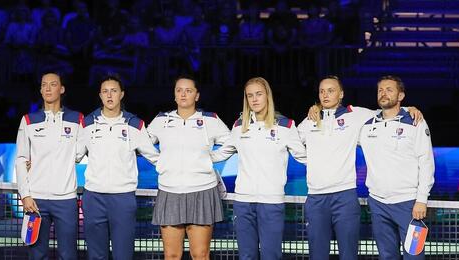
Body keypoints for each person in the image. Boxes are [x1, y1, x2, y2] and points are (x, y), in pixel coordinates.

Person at [297, 76, 423, 260]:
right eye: (322, 91)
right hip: (316, 197)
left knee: (349, 255)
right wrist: (313, 161)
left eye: (331, 90)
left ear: (341, 94)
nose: (325, 95)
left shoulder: (356, 115)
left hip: (346, 196)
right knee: (317, 255)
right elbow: (291, 142)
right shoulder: (310, 120)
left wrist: (408, 109)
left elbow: (386, 111)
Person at [211, 77, 307, 259]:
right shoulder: (240, 126)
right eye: (249, 96)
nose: (254, 99)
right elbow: (221, 154)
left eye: (258, 94)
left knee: (271, 255)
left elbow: (304, 157)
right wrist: (194, 158)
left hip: (271, 202)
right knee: (247, 256)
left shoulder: (286, 126)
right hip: (243, 202)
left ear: (267, 96)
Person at [147, 75, 230, 260]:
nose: (183, 94)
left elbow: (232, 143)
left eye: (188, 90)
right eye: (179, 90)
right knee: (172, 255)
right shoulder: (161, 120)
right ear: (174, 96)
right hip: (170, 191)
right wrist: (160, 161)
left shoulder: (211, 120)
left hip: (202, 190)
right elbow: (142, 144)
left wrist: (211, 158)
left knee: (200, 255)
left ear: (197, 96)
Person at [76, 75, 159, 259]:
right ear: (100, 95)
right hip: (93, 197)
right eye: (105, 91)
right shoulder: (87, 123)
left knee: (123, 255)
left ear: (121, 94)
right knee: (96, 256)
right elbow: (73, 156)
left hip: (123, 199)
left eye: (114, 91)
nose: (109, 95)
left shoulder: (135, 125)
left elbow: (155, 158)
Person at [359, 76, 434, 259]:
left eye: (389, 89)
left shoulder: (415, 122)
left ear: (401, 95)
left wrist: (421, 199)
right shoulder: (366, 125)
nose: (383, 93)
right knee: (386, 256)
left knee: (414, 256)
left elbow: (426, 161)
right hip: (377, 203)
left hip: (408, 204)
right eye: (380, 90)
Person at [15, 73, 84, 260]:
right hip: (36, 201)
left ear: (61, 89)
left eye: (53, 84)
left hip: (66, 199)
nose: (48, 88)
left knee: (68, 255)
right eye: (44, 84)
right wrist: (26, 195)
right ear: (40, 90)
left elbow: (79, 153)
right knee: (37, 255)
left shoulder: (77, 119)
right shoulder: (28, 120)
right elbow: (21, 159)